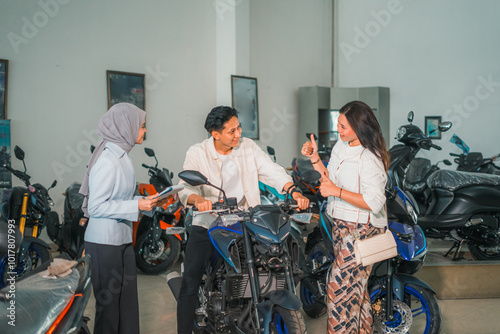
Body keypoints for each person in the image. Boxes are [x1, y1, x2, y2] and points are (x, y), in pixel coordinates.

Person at [176, 105, 310, 334]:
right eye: (232, 131)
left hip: (246, 220)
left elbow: (272, 171)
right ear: (215, 134)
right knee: (190, 281)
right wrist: (198, 200)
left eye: (239, 128)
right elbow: (185, 187)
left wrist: (292, 190)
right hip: (209, 221)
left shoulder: (248, 147)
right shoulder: (197, 152)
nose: (238, 134)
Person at [301, 100, 389, 333]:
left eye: (343, 127)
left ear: (359, 128)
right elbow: (329, 179)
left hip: (364, 229)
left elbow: (374, 201)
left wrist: (336, 192)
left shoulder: (370, 157)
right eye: (337, 125)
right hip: (341, 225)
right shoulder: (342, 147)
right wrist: (315, 158)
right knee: (356, 290)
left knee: (338, 289)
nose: (338, 130)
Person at [79, 103, 160, 334]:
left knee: (127, 307)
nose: (144, 131)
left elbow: (120, 198)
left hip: (121, 240)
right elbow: (96, 206)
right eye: (142, 126)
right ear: (126, 127)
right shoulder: (108, 160)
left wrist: (146, 202)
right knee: (109, 310)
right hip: (104, 244)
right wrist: (136, 204)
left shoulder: (123, 156)